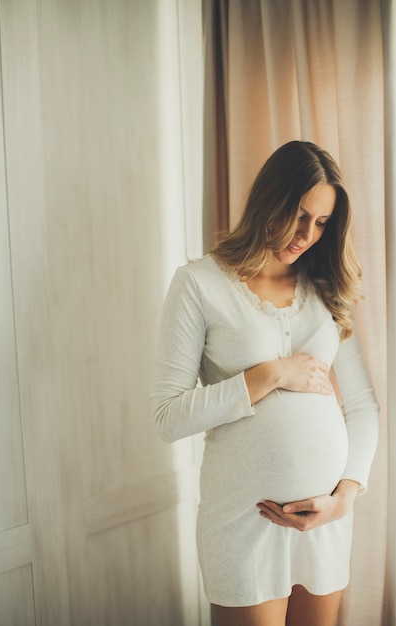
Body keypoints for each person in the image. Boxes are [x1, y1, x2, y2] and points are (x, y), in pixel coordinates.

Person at [151, 141, 379, 626]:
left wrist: (344, 498)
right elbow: (168, 417)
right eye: (299, 215)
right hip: (242, 521)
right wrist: (267, 376)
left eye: (321, 223)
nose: (307, 234)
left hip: (326, 522)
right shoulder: (199, 284)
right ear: (268, 201)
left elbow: (362, 407)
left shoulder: (327, 289)